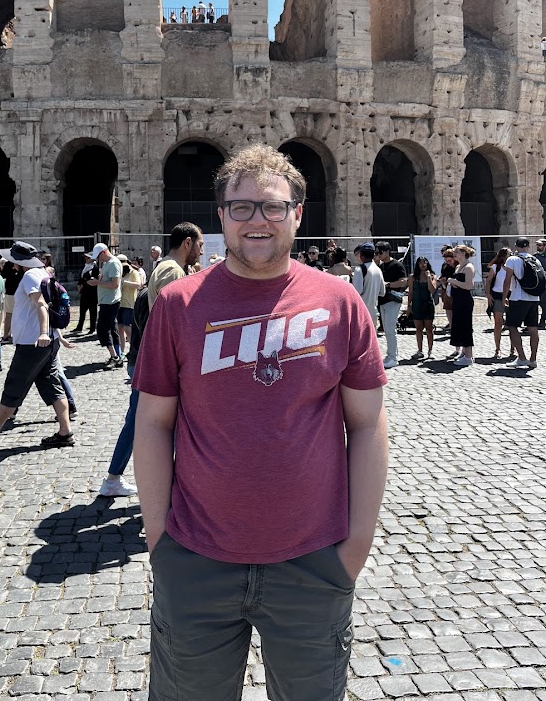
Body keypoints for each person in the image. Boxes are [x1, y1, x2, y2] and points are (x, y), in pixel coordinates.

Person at [133, 143, 388, 701]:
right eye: (241, 207)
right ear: (220, 215)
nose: (257, 220)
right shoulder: (177, 304)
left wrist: (355, 548)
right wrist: (160, 543)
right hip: (196, 558)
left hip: (313, 560)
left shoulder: (341, 302)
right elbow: (152, 423)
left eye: (273, 206)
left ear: (297, 213)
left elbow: (367, 425)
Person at [0, 241, 74, 448]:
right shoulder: (43, 272)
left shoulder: (30, 276)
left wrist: (43, 333)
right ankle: (65, 432)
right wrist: (53, 335)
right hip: (46, 342)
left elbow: (41, 304)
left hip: (32, 343)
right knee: (52, 385)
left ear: (18, 261)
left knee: (14, 386)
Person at [98, 286, 150, 498]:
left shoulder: (146, 291)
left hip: (137, 363)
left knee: (134, 424)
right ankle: (113, 479)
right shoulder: (160, 292)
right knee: (135, 425)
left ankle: (113, 479)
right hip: (146, 367)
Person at [147, 222, 204, 309]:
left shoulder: (168, 266)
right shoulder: (173, 271)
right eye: (200, 245)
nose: (201, 252)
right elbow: (173, 313)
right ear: (187, 243)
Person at [503, 238, 540, 368]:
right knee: (533, 328)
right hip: (534, 298)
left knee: (512, 326)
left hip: (517, 298)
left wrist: (504, 297)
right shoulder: (535, 260)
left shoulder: (512, 259)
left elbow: (507, 280)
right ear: (528, 247)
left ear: (516, 247)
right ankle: (533, 359)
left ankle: (522, 357)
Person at [86, 243, 123, 369]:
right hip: (107, 300)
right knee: (111, 329)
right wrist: (99, 280)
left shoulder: (113, 263)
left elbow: (115, 284)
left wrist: (97, 282)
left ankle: (114, 356)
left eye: (98, 256)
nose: (98, 259)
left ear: (104, 252)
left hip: (110, 301)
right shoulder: (108, 263)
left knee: (103, 329)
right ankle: (117, 355)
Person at [376, 242, 408, 369]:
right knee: (386, 329)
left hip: (393, 300)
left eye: (380, 252)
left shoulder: (397, 265)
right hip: (383, 300)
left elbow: (403, 281)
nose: (378, 255)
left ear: (387, 251)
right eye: (377, 252)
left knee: (390, 329)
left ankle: (393, 357)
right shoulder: (381, 266)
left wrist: (388, 284)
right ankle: (390, 354)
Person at [448, 245, 476, 366]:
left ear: (464, 253)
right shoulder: (458, 267)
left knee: (465, 326)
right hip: (457, 299)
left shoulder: (469, 267)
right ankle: (464, 353)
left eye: (457, 252)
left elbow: (469, 285)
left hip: (465, 300)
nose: (454, 254)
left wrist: (453, 281)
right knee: (459, 325)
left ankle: (469, 356)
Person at [485, 247, 513, 359]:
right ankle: (498, 348)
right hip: (497, 295)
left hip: (511, 296)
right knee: (498, 323)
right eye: (509, 255)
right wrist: (488, 294)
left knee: (512, 324)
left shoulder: (513, 267)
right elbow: (488, 281)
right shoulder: (495, 267)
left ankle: (513, 348)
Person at [406, 257, 437, 359]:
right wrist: (409, 306)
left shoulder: (432, 276)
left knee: (429, 328)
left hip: (428, 304)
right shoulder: (412, 277)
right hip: (417, 304)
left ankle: (430, 350)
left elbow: (432, 290)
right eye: (420, 263)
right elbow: (410, 292)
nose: (423, 265)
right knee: (418, 328)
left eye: (424, 263)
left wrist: (428, 278)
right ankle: (420, 350)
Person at [352, 242, 385, 327]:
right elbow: (382, 292)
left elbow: (357, 291)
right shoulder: (378, 270)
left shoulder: (359, 269)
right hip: (373, 312)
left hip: (361, 311)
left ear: (361, 255)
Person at [117, 254, 142, 356]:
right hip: (119, 303)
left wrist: (124, 282)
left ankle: (134, 350)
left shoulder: (134, 272)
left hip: (129, 304)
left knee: (128, 329)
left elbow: (139, 285)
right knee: (119, 328)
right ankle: (121, 352)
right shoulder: (119, 272)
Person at [73, 252, 99, 333]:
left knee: (92, 311)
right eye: (85, 258)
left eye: (88, 258)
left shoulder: (95, 267)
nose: (86, 259)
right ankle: (79, 327)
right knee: (82, 310)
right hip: (84, 291)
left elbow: (94, 279)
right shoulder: (85, 267)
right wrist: (79, 284)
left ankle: (92, 328)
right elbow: (82, 277)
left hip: (92, 292)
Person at [0, 260, 21, 342]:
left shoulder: (23, 263)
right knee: (9, 315)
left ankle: (16, 334)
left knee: (19, 315)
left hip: (20, 293)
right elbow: (3, 274)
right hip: (10, 293)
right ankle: (6, 335)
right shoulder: (9, 263)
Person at [438, 248, 456, 330]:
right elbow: (443, 275)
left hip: (456, 290)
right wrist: (442, 279)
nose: (448, 262)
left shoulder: (458, 266)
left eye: (449, 260)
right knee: (448, 308)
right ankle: (451, 326)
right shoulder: (445, 266)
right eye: (446, 260)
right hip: (447, 289)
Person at [533, 239, 546, 329]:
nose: (538, 247)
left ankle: (542, 321)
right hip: (536, 284)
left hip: (544, 284)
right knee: (534, 304)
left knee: (544, 304)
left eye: (540, 245)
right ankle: (533, 323)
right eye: (537, 245)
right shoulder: (535, 256)